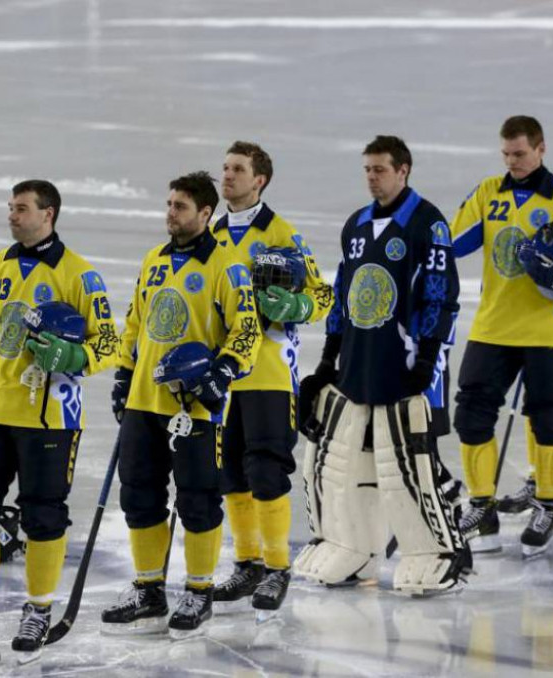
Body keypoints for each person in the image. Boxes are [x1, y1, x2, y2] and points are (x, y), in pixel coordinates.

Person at [295, 135, 470, 594]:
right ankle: (354, 546)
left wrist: (428, 359)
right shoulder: (356, 225)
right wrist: (329, 358)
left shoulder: (427, 224)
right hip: (358, 362)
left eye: (380, 169)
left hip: (405, 365)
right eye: (367, 170)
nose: (372, 178)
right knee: (347, 460)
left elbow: (440, 294)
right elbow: (344, 295)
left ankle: (439, 550)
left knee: (406, 464)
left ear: (403, 170)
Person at [0, 180, 119, 659]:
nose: (12, 215)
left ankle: (39, 609)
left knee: (43, 515)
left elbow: (110, 342)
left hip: (49, 418)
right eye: (10, 207)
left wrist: (75, 354)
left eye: (21, 208)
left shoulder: (80, 275)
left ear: (48, 214)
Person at [102, 170, 261, 638]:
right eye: (169, 204)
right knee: (139, 496)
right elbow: (135, 322)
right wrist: (124, 375)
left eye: (181, 207)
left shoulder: (226, 267)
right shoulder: (154, 258)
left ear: (206, 213)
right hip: (144, 403)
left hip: (194, 408)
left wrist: (223, 371)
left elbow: (246, 330)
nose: (170, 213)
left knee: (197, 500)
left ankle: (199, 589)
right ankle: (149, 589)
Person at [451, 116, 553, 556]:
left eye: (519, 154)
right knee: (471, 416)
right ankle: (482, 506)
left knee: (550, 417)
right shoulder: (488, 193)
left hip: (547, 330)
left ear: (540, 149)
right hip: (493, 325)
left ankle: (548, 504)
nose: (512, 163)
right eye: (506, 155)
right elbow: (456, 242)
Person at [210, 142, 334, 614]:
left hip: (268, 371)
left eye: (237, 169)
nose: (227, 176)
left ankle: (277, 566)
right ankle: (247, 563)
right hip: (223, 375)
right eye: (225, 168)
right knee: (230, 474)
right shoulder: (212, 233)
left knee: (265, 467)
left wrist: (298, 305)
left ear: (259, 180)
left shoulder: (281, 233)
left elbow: (322, 295)